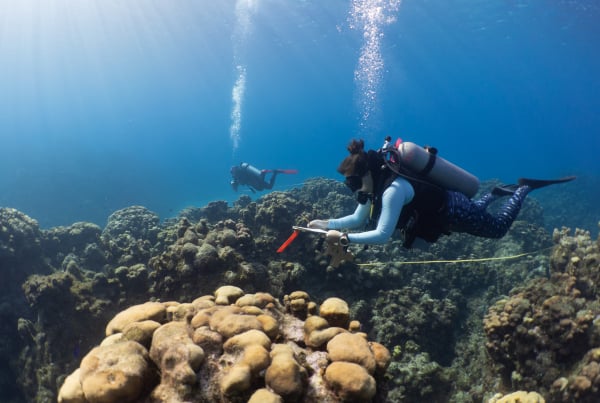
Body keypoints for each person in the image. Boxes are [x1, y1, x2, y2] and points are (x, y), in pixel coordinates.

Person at [308, 139, 575, 248]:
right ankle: (494, 193)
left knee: (498, 229)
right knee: (480, 212)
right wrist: (326, 225)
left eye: (354, 184)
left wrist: (344, 240)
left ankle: (523, 188)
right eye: (349, 186)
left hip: (453, 209)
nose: (354, 190)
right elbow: (356, 219)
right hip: (450, 210)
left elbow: (382, 235)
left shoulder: (392, 191)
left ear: (367, 174)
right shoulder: (374, 189)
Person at [230, 163, 298, 193]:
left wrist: (237, 183)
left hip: (253, 180)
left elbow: (243, 182)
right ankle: (275, 173)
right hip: (255, 177)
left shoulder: (238, 176)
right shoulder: (240, 173)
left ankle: (263, 174)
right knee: (269, 187)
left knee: (260, 188)